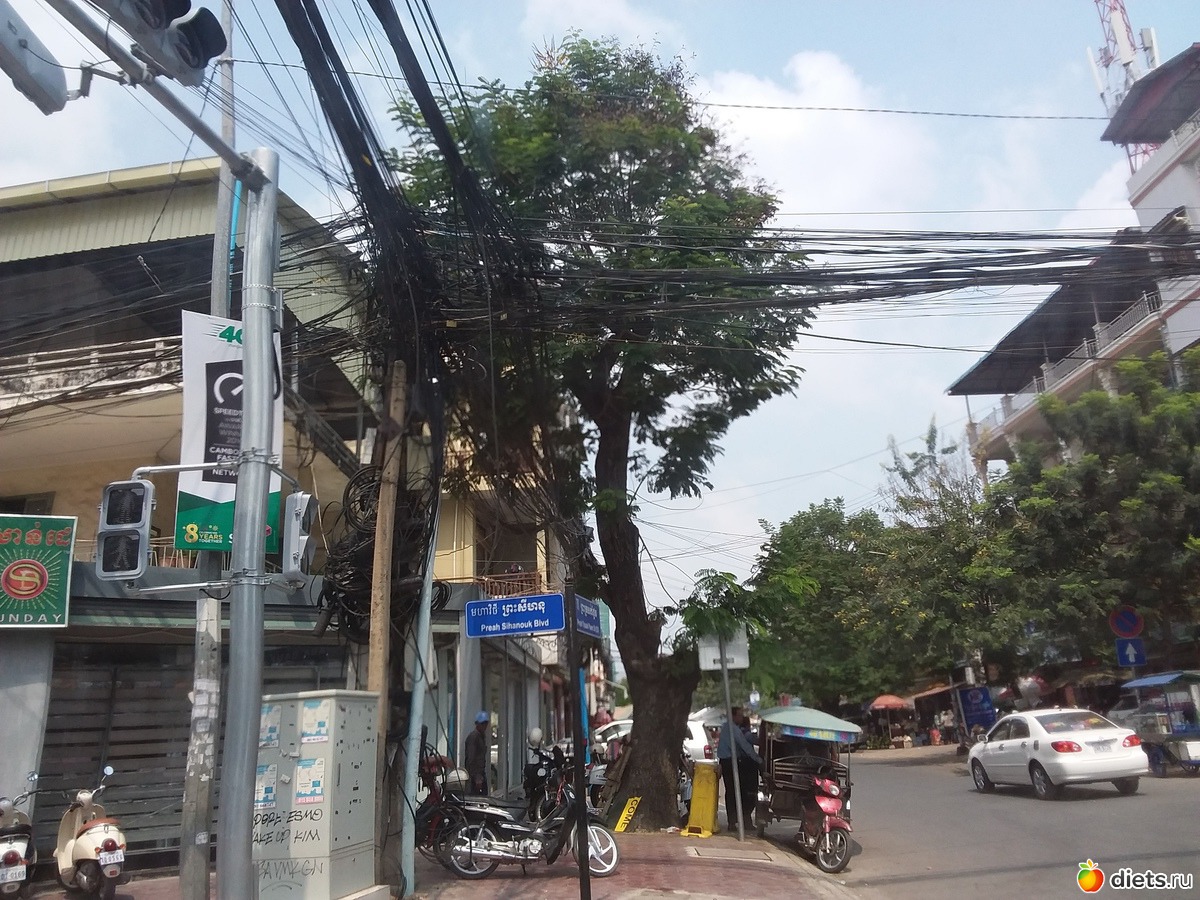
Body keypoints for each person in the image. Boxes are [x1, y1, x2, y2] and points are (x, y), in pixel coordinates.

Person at [717, 707, 762, 832]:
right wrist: (758, 760)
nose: (741, 718)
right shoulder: (734, 730)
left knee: (731, 792)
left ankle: (733, 821)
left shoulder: (726, 727)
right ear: (733, 716)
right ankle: (736, 821)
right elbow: (745, 746)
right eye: (739, 715)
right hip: (731, 762)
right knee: (736, 792)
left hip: (726, 762)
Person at [464, 710, 490, 795]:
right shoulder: (473, 737)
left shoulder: (481, 736)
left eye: (485, 723)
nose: (484, 726)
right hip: (475, 776)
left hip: (480, 774)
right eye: (482, 724)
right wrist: (476, 777)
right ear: (477, 724)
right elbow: (471, 759)